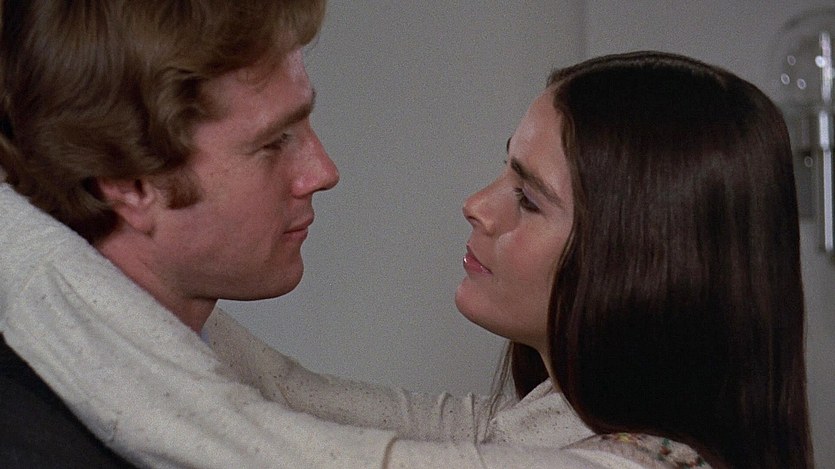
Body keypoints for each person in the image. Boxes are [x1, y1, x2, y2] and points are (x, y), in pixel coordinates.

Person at [0, 9, 811, 466]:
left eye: (528, 199)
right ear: (128, 183)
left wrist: (26, 243)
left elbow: (248, 440)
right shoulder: (548, 425)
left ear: (641, 261)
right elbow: (284, 392)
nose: (475, 205)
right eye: (274, 140)